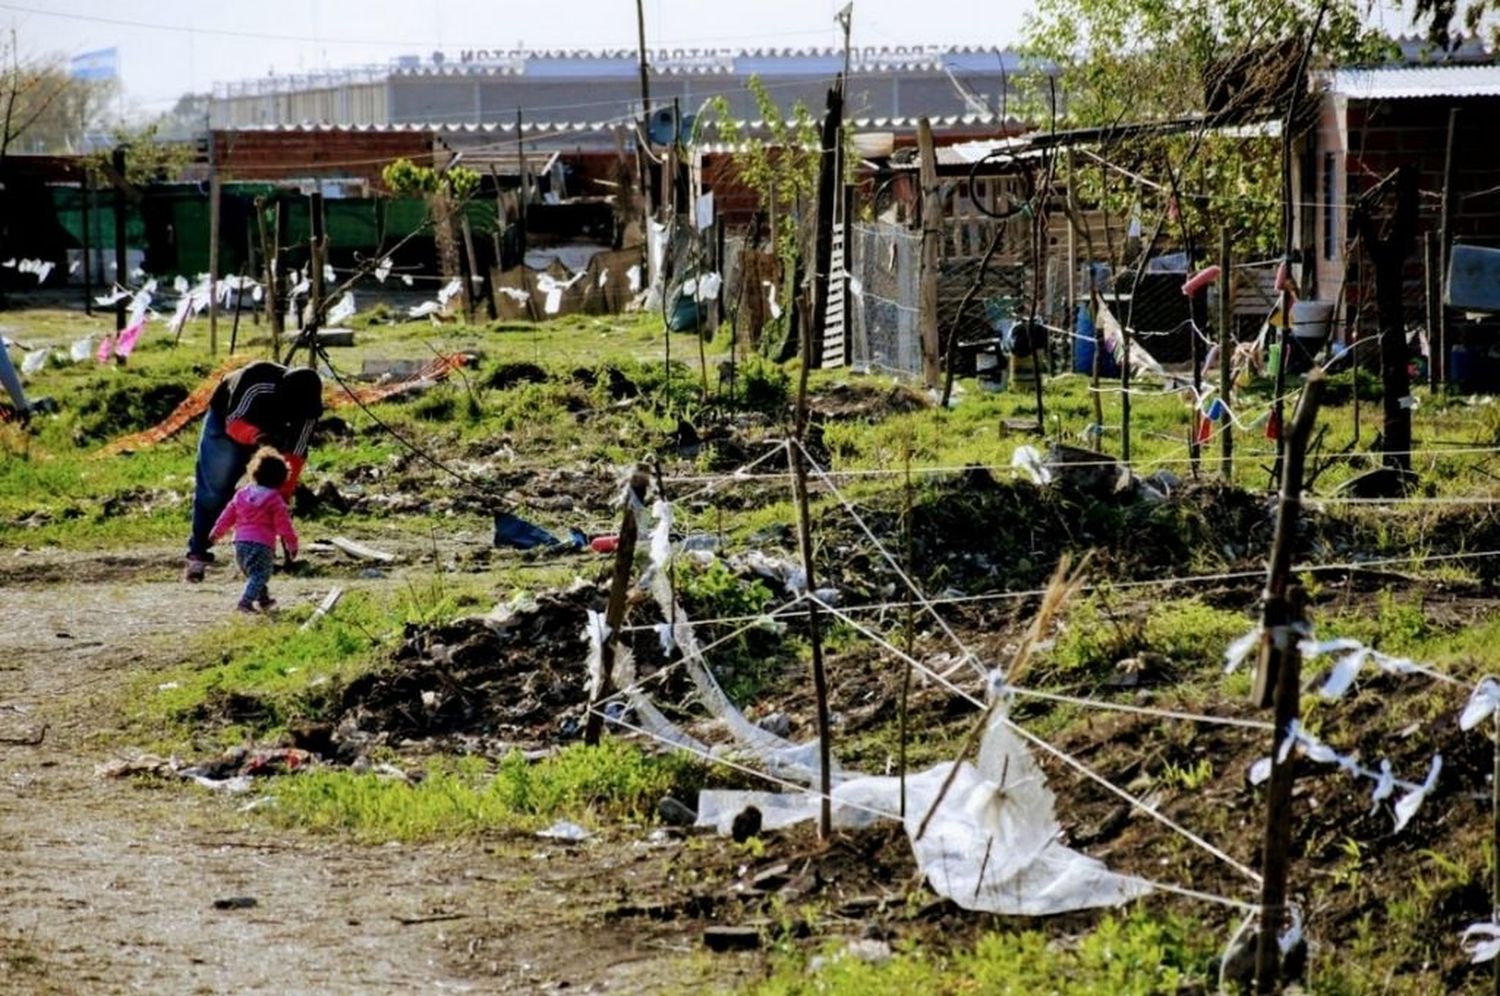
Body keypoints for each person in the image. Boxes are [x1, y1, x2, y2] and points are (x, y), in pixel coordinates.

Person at [184, 361, 322, 582]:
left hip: (272, 432)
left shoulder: (308, 411)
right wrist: (258, 437)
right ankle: (198, 554)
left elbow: (296, 455)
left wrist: (281, 494)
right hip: (228, 424)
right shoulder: (255, 382)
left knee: (271, 496)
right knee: (215, 490)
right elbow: (234, 423)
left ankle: (262, 554)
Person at [209, 449, 299, 614]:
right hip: (262, 544)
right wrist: (292, 544)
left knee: (254, 573)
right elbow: (284, 525)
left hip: (240, 542)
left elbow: (228, 514)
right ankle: (245, 603)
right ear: (281, 479)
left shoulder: (242, 494)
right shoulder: (274, 500)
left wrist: (217, 532)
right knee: (260, 574)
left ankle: (264, 600)